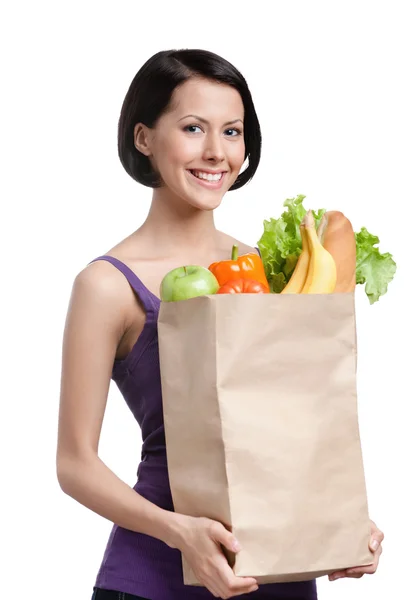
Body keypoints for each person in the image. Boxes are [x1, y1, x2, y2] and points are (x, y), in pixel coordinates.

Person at [56, 48, 384, 600]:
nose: (216, 152)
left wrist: (341, 519)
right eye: (192, 128)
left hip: (277, 573)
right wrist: (179, 532)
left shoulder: (271, 271)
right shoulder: (107, 285)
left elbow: (295, 428)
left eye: (232, 131)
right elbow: (74, 464)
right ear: (144, 139)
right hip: (155, 578)